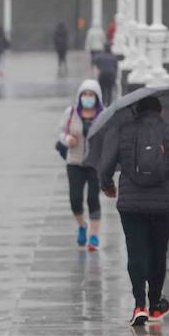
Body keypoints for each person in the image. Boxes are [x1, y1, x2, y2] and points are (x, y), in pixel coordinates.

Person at [98, 94, 169, 326]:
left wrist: (107, 185)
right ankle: (155, 304)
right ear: (160, 111)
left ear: (136, 111)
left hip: (131, 204)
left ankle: (139, 305)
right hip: (164, 204)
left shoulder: (124, 130)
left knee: (136, 251)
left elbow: (106, 164)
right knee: (158, 252)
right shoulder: (168, 130)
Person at [58, 78, 105, 251]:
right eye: (84, 94)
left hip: (95, 164)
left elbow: (109, 137)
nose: (87, 97)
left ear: (97, 97)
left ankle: (93, 236)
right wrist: (67, 139)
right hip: (75, 162)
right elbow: (62, 133)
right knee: (75, 199)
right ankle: (82, 226)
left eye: (91, 94)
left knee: (93, 198)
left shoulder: (103, 114)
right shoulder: (71, 112)